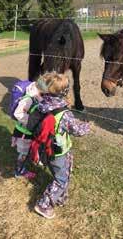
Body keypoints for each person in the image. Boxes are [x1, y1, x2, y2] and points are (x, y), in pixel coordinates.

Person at [33, 72, 90, 219]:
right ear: (64, 92)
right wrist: (87, 126)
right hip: (58, 151)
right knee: (60, 179)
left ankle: (59, 197)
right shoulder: (63, 113)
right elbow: (77, 130)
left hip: (47, 148)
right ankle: (43, 205)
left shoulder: (42, 104)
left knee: (64, 172)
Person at [11, 78, 47, 179]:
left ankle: (25, 161)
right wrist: (32, 121)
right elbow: (18, 113)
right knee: (23, 153)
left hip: (28, 130)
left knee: (27, 150)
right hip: (24, 132)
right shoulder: (28, 99)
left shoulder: (35, 95)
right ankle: (20, 171)